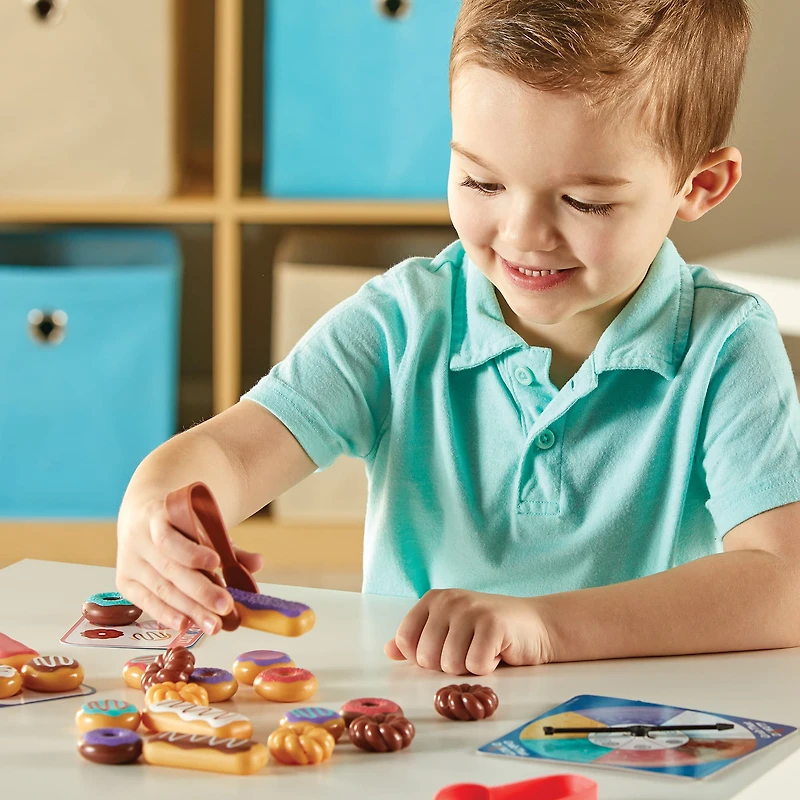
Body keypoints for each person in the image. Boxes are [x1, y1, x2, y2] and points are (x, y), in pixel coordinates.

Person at [116, 0, 800, 676]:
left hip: (638, 744)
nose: (523, 235)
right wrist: (156, 512)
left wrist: (544, 628)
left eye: (585, 201)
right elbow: (232, 457)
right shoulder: (404, 319)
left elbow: (786, 585)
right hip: (414, 733)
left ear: (700, 184)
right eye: (482, 181)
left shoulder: (725, 344)